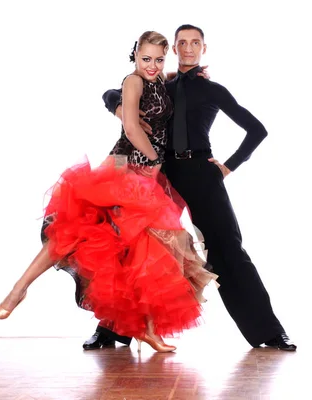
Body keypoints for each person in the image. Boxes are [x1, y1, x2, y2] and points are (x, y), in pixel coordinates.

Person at [0, 30, 218, 353]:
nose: (152, 65)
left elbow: (167, 86)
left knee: (152, 250)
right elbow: (130, 126)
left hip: (147, 178)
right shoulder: (133, 81)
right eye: (146, 59)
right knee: (76, 230)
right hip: (124, 166)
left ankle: (147, 329)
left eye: (158, 59)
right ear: (134, 56)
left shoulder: (157, 80)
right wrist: (154, 157)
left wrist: (182, 73)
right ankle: (19, 289)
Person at [88, 24, 297, 351]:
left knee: (227, 248)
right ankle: (111, 331)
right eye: (182, 42)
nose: (188, 47)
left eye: (194, 42)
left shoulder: (212, 90)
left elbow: (257, 130)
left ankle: (269, 332)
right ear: (173, 48)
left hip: (199, 171)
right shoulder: (158, 82)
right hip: (158, 170)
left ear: (203, 48)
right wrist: (120, 110)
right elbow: (110, 94)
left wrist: (228, 166)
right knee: (136, 248)